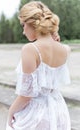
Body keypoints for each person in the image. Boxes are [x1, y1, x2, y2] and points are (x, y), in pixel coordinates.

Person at [6, 1, 71, 130]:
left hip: (37, 115)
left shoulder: (30, 49)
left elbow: (27, 95)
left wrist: (10, 112)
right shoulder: (66, 49)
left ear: (32, 24)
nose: (23, 31)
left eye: (23, 25)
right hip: (59, 111)